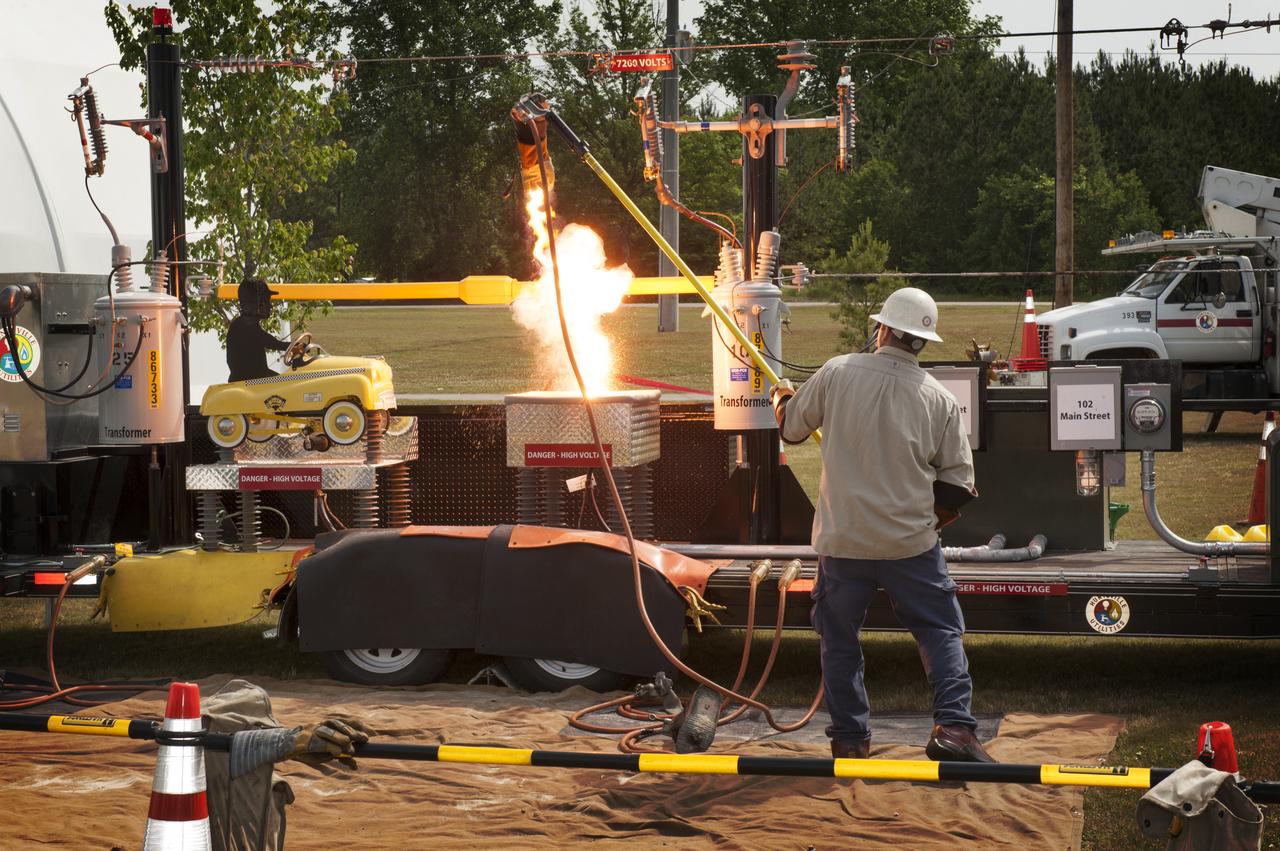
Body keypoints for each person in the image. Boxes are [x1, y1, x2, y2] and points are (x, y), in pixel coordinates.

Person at [770, 286, 993, 763]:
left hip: (842, 541)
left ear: (883, 329)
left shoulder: (836, 372)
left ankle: (850, 741)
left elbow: (791, 429)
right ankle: (953, 730)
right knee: (939, 631)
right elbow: (958, 486)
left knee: (839, 641)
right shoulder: (938, 398)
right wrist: (921, 523)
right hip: (909, 545)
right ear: (922, 342)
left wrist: (781, 397)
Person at [227, 278, 290, 382]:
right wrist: (298, 346)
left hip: (255, 381)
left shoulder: (241, 324)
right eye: (266, 301)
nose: (270, 305)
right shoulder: (246, 327)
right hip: (251, 384)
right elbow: (275, 344)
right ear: (254, 304)